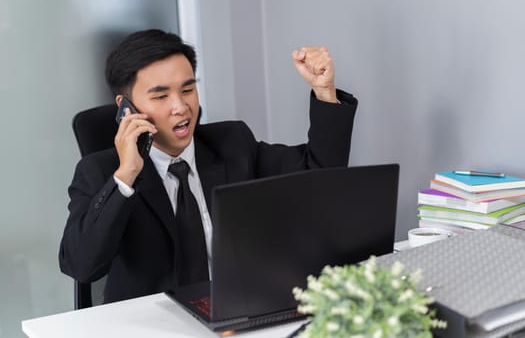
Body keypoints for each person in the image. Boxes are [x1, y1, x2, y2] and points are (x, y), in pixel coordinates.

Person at [59, 29, 358, 303]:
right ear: (127, 108)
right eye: (161, 96)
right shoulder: (101, 172)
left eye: (188, 89)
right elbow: (81, 266)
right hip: (152, 325)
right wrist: (126, 175)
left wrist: (324, 93)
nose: (180, 106)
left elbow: (319, 175)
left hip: (235, 311)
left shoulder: (232, 143)